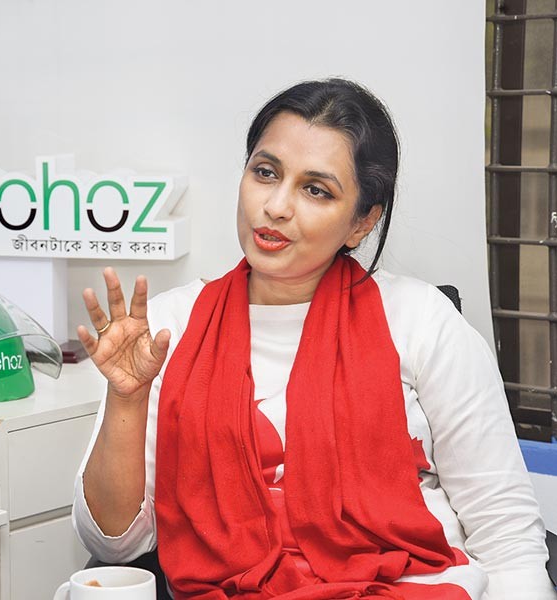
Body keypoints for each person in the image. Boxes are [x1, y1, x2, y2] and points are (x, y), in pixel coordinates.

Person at [71, 78, 556, 599]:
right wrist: (126, 399)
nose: (276, 206)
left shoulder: (421, 321)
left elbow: (507, 538)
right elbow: (114, 546)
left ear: (362, 222)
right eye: (265, 172)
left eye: (316, 190)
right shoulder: (171, 326)